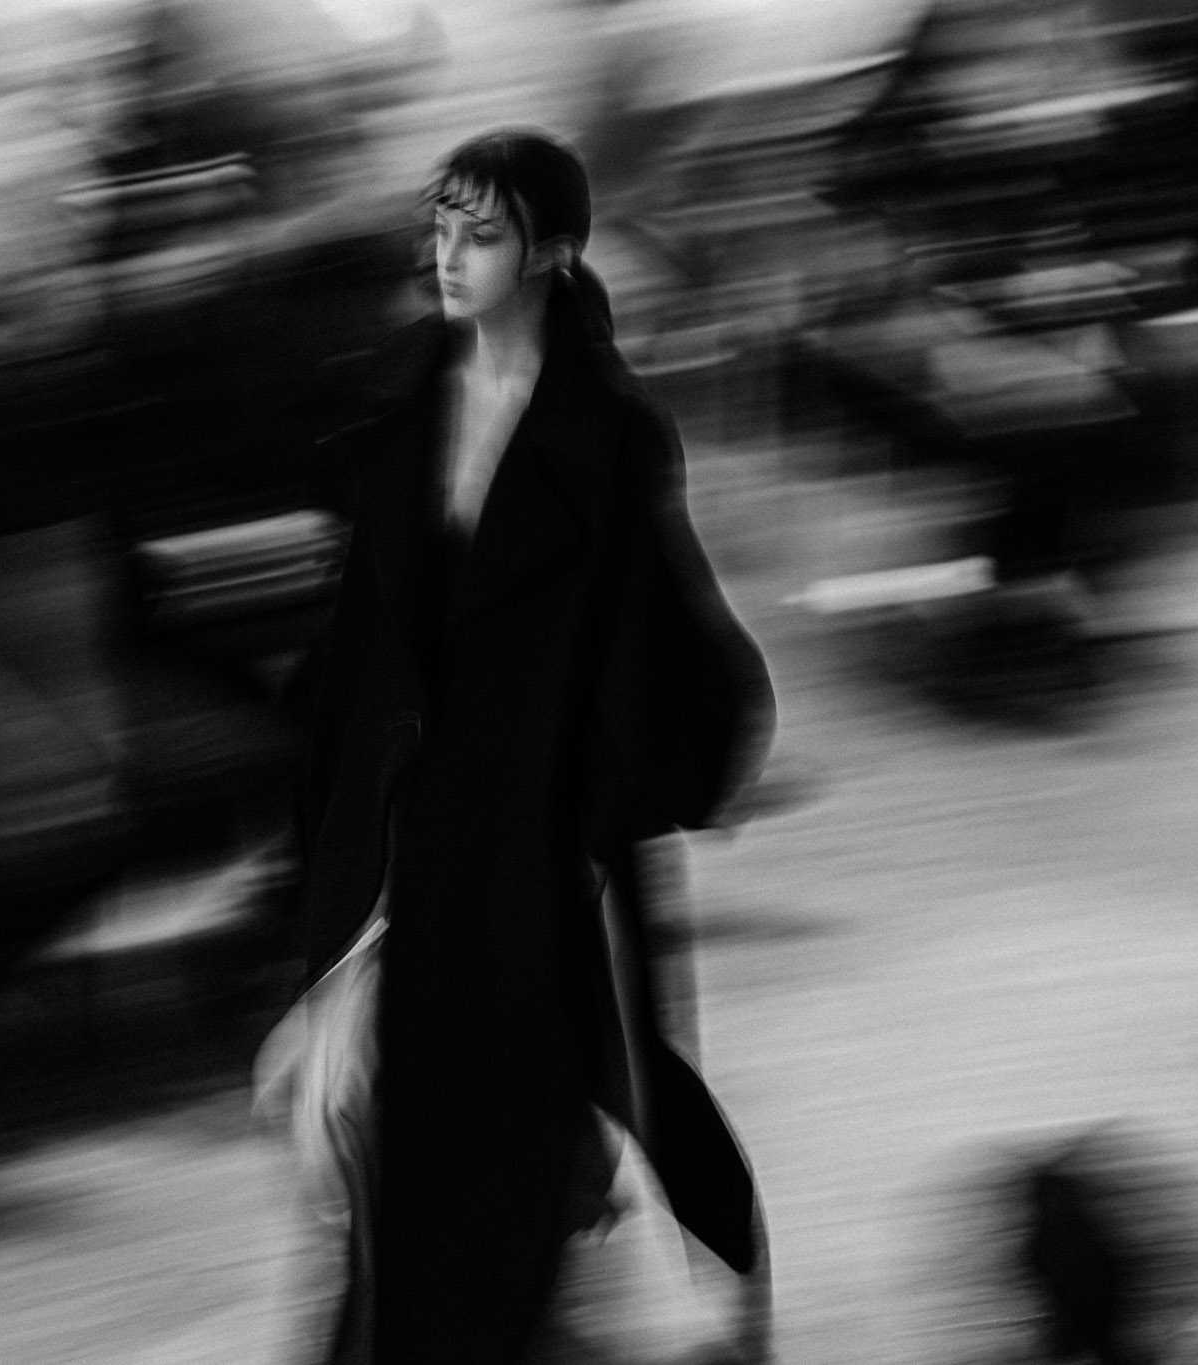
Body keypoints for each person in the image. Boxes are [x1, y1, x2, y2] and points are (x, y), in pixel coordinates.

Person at [275, 127, 777, 1362]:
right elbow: (359, 656)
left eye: (480, 234)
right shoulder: (407, 405)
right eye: (437, 227)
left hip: (546, 858)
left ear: (549, 252)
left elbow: (677, 656)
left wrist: (603, 810)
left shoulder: (607, 434)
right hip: (414, 850)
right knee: (419, 1178)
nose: (446, 256)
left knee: (552, 1130)